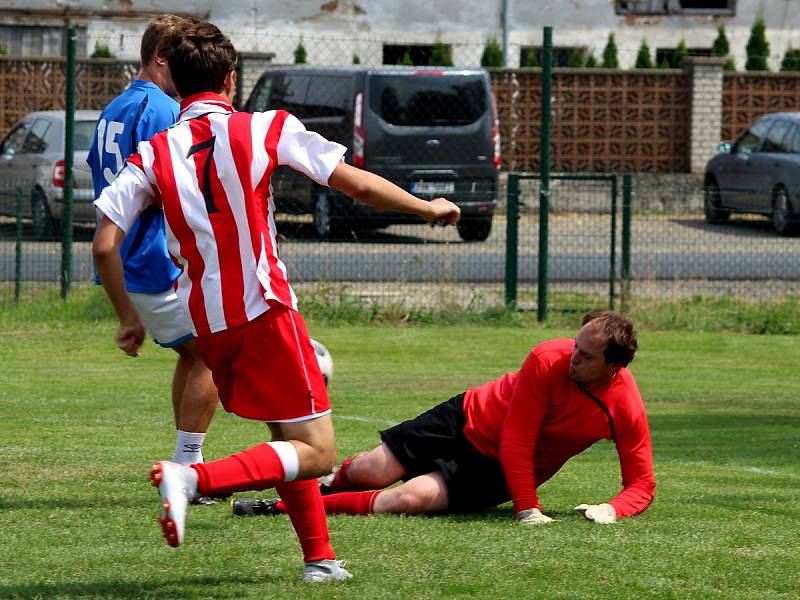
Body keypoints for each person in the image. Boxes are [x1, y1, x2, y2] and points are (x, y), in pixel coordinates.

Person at [91, 21, 461, 583]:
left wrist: (127, 318)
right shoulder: (267, 128)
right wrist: (427, 209)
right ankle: (193, 479)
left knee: (288, 436)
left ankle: (319, 559)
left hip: (209, 323)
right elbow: (355, 184)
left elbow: (102, 245)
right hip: (264, 311)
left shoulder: (155, 150)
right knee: (318, 452)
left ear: (178, 84)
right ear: (232, 80)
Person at [232, 310, 656, 525]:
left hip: (494, 468)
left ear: (613, 366)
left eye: (585, 356)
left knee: (407, 500)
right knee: (367, 470)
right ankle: (326, 484)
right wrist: (528, 509)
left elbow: (642, 482)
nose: (572, 357)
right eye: (575, 344)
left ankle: (282, 507)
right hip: (466, 416)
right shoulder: (548, 358)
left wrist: (614, 509)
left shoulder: (623, 408)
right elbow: (518, 437)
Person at [87, 15, 219, 496]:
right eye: (181, 53)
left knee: (191, 353)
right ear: (162, 57)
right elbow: (172, 183)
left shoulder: (115, 107)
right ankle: (189, 472)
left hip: (126, 263)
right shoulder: (164, 109)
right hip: (153, 260)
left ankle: (190, 461)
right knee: (213, 352)